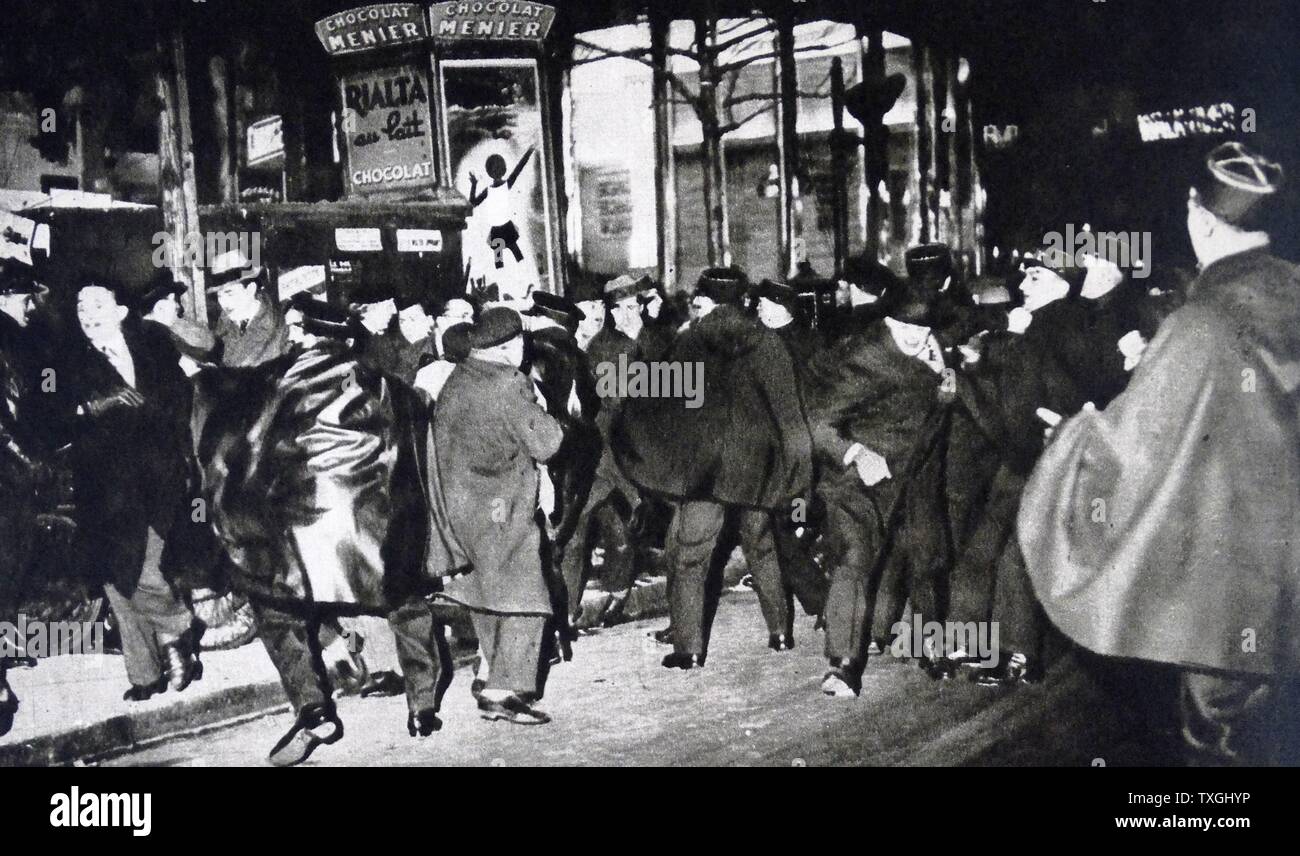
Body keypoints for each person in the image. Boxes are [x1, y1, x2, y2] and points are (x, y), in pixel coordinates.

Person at [1018, 141, 1299, 765]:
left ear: (1197, 214)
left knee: (1222, 757)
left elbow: (1131, 453)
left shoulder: (1200, 323)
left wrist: (1069, 438)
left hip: (1232, 598)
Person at [197, 294, 461, 763]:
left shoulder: (268, 384)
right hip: (377, 531)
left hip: (299, 536)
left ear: (303, 336)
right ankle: (422, 705)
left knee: (278, 614)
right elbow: (419, 455)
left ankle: (313, 707)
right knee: (406, 605)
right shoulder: (389, 386)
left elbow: (237, 450)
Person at [614, 268, 812, 667]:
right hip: (758, 467)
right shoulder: (768, 342)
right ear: (743, 300)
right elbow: (791, 418)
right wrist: (798, 486)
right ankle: (780, 633)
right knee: (762, 546)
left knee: (691, 557)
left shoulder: (691, 340)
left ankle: (688, 650)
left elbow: (656, 395)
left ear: (706, 298)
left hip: (706, 471)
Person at [804, 287, 952, 695]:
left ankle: (930, 645)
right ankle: (843, 664)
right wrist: (856, 452)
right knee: (854, 561)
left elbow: (946, 393)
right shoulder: (865, 358)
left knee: (926, 558)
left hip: (915, 475)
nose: (912, 336)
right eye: (903, 326)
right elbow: (817, 423)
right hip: (858, 482)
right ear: (887, 321)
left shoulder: (934, 350)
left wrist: (945, 375)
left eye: (921, 330)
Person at [66, 278, 202, 701]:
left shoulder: (154, 345)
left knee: (143, 569)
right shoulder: (63, 361)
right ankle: (149, 669)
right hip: (104, 486)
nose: (87, 315)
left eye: (97, 306)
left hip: (159, 476)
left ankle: (172, 643)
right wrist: (90, 407)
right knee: (117, 580)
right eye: (80, 307)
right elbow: (43, 414)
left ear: (121, 312)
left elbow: (183, 396)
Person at [434, 306, 563, 725]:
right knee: (528, 595)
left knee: (486, 591)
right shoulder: (509, 383)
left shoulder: (458, 376)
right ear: (513, 344)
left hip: (461, 505)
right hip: (501, 504)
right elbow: (545, 443)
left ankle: (491, 673)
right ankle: (504, 691)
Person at [0, 262, 56, 735]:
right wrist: (26, 457)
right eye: (22, 297)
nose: (29, 306)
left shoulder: (18, 339)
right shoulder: (11, 338)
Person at [209, 249, 290, 368]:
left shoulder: (275, 325)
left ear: (251, 290)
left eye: (230, 293)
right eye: (219, 296)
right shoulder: (226, 320)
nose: (223, 303)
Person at [468, 145, 536, 268]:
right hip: (501, 228)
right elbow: (472, 203)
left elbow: (519, 168)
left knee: (512, 257)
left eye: (499, 168)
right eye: (495, 169)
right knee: (505, 259)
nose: (497, 171)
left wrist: (474, 184)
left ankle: (519, 273)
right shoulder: (500, 187)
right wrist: (474, 185)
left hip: (502, 227)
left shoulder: (498, 187)